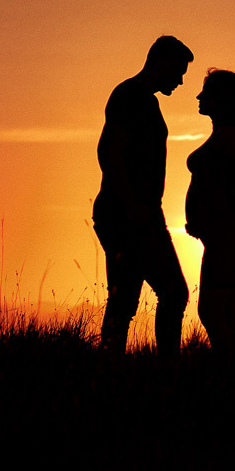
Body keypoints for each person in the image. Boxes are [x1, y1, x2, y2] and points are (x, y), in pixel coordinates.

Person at [92, 36, 193, 359]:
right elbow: (108, 152)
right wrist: (133, 205)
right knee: (172, 292)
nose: (179, 81)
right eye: (177, 72)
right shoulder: (129, 96)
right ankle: (165, 371)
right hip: (127, 216)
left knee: (126, 300)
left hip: (140, 213)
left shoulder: (145, 101)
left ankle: (114, 371)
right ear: (160, 61)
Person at [184, 69, 235, 353]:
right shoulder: (222, 134)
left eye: (205, 93)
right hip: (223, 234)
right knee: (230, 313)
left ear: (220, 98)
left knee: (210, 311)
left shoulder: (227, 135)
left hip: (227, 235)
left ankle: (231, 370)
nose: (198, 97)